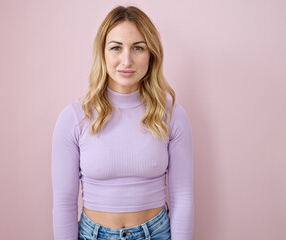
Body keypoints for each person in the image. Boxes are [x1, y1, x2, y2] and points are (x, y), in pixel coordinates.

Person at [51, 5, 194, 239]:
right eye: (116, 48)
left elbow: (183, 197)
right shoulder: (74, 118)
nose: (126, 60)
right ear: (103, 53)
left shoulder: (172, 115)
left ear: (151, 54)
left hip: (156, 233)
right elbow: (64, 204)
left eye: (138, 48)